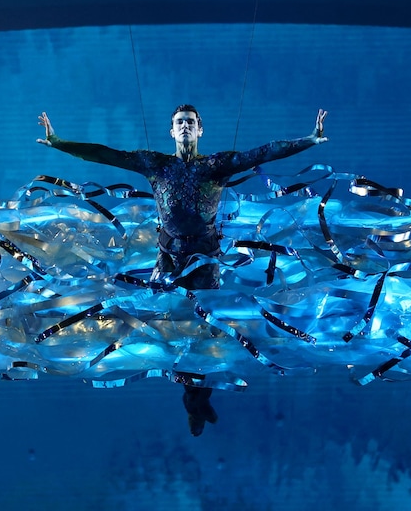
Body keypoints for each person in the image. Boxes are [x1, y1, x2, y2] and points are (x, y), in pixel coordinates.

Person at [37, 104, 328, 435]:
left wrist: (310, 139)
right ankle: (192, 397)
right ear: (172, 132)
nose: (185, 126)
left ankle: (198, 397)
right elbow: (105, 154)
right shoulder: (156, 164)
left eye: (191, 122)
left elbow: (264, 152)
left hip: (204, 261)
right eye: (180, 123)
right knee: (170, 327)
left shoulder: (217, 165)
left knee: (203, 330)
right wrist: (59, 142)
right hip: (168, 261)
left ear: (200, 130)